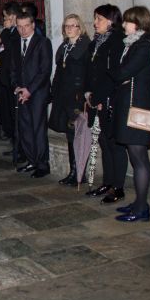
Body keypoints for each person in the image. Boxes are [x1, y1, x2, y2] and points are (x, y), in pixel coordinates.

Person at [112, 7, 150, 221]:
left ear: (138, 23)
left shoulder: (143, 45)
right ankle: (139, 202)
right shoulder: (134, 44)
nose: (124, 25)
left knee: (139, 159)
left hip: (138, 110)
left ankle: (142, 209)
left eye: (127, 22)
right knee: (135, 157)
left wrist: (115, 72)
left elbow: (123, 72)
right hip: (131, 107)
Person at [84, 4, 127, 203]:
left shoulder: (117, 41)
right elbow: (90, 70)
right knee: (104, 143)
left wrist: (101, 98)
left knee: (114, 144)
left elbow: (112, 74)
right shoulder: (96, 42)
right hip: (96, 99)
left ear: (110, 21)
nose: (95, 23)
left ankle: (118, 187)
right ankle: (107, 182)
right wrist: (88, 92)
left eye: (99, 19)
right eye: (95, 18)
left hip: (110, 100)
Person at [49, 14, 91, 186]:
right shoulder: (64, 46)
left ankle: (80, 172)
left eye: (73, 26)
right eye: (66, 26)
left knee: (79, 135)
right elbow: (60, 72)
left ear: (80, 28)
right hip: (63, 96)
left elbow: (88, 73)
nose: (69, 29)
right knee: (69, 135)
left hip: (77, 97)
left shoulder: (86, 46)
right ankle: (73, 171)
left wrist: (84, 95)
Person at [11, 11, 53, 178]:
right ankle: (31, 161)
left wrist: (29, 89)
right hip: (21, 93)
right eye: (19, 27)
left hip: (37, 94)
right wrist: (17, 87)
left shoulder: (42, 43)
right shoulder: (15, 43)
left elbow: (44, 71)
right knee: (25, 129)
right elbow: (13, 69)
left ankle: (42, 164)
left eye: (26, 26)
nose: (23, 30)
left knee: (38, 129)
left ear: (33, 25)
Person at [0, 2, 21, 144]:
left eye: (6, 17)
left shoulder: (16, 32)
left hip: (14, 79)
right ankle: (15, 145)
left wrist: (7, 29)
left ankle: (19, 147)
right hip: (7, 78)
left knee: (16, 115)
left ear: (13, 16)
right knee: (10, 114)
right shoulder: (9, 32)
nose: (4, 21)